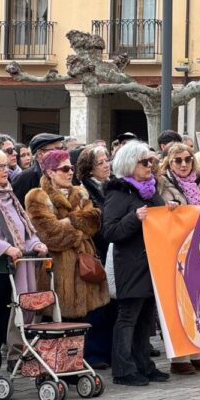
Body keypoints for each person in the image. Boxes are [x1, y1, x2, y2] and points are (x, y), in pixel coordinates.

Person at [102, 141, 172, 386]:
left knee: (146, 318)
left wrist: (168, 209)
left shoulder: (150, 189)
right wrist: (134, 218)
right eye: (144, 162)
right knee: (128, 316)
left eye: (151, 161)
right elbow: (109, 231)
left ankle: (144, 365)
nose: (150, 166)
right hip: (131, 264)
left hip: (152, 262)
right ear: (130, 164)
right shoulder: (119, 192)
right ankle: (123, 369)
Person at [24, 149, 110, 323]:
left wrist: (67, 221)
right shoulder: (37, 196)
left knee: (88, 325)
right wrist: (80, 226)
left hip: (85, 264)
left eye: (71, 167)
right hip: (57, 269)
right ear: (50, 172)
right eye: (64, 169)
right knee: (58, 325)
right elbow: (51, 236)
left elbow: (94, 223)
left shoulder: (80, 192)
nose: (70, 171)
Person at [156, 143, 200, 374]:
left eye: (187, 159)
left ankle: (196, 352)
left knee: (199, 302)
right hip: (178, 251)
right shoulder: (164, 183)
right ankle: (179, 358)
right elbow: (164, 212)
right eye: (178, 161)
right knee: (179, 303)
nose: (184, 164)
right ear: (169, 162)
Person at [0, 149, 47, 373]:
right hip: (0, 267)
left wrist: (34, 243)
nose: (5, 170)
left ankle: (15, 357)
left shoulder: (8, 194)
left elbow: (24, 230)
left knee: (13, 313)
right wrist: (5, 248)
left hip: (15, 267)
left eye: (5, 166)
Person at [75, 145, 117, 369]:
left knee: (111, 305)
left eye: (107, 160)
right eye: (100, 162)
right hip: (96, 252)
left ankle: (109, 351)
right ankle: (95, 354)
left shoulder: (111, 185)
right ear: (89, 168)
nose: (106, 165)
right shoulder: (84, 190)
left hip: (112, 249)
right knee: (97, 308)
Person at [12, 133, 64, 207]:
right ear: (40, 154)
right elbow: (17, 210)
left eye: (62, 149)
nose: (61, 153)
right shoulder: (24, 178)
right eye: (56, 150)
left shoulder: (65, 172)